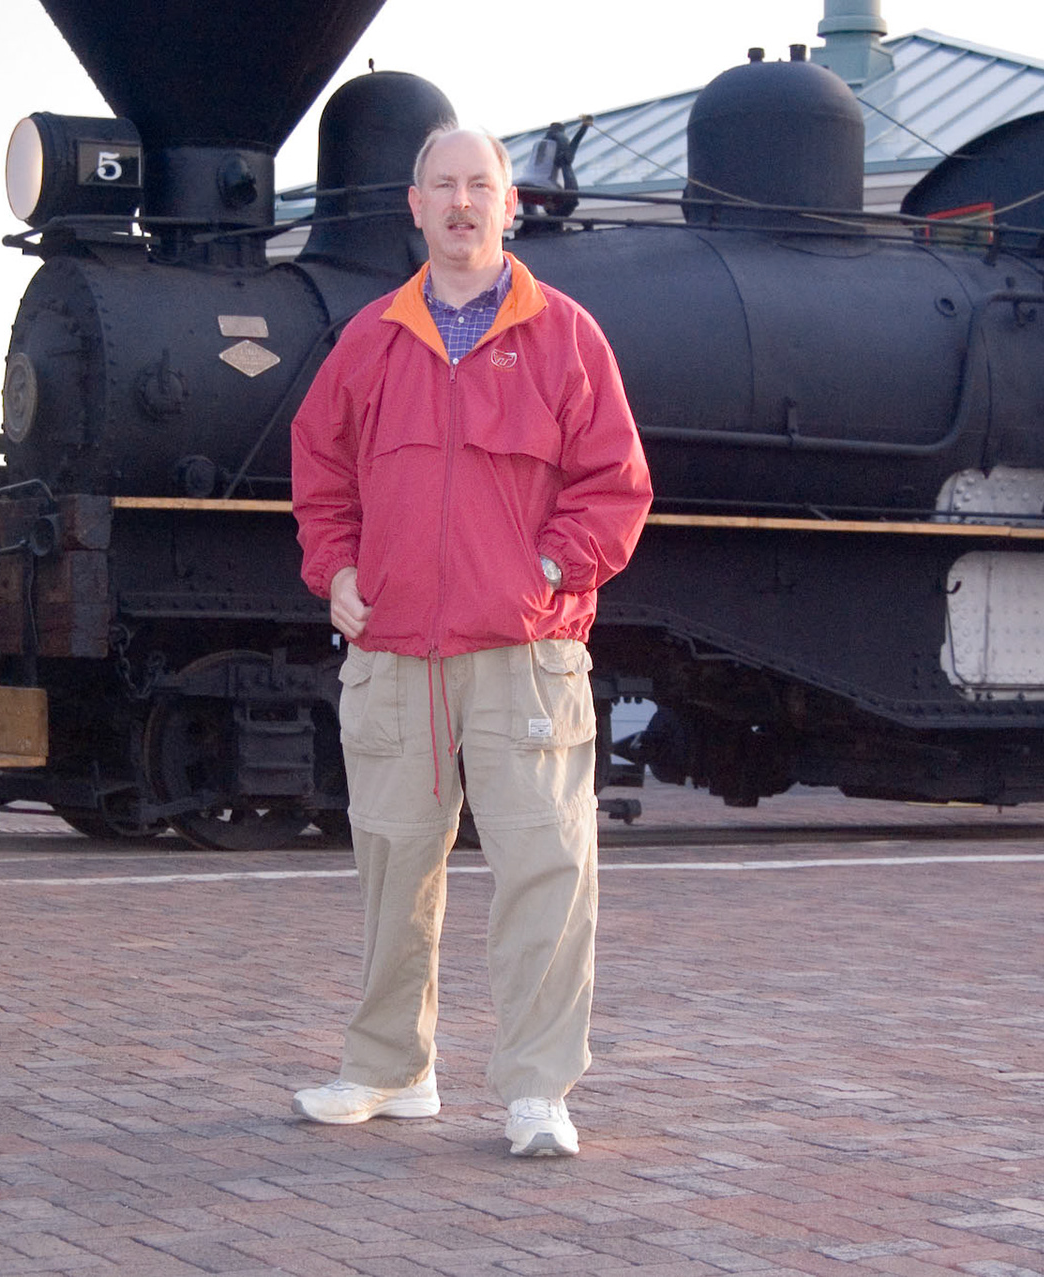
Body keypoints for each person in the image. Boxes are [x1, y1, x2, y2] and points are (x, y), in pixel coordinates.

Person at [288, 124, 653, 1157]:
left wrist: (546, 570)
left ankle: (538, 1089)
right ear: (415, 205)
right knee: (394, 859)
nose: (461, 202)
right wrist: (340, 571)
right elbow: (319, 471)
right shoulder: (370, 340)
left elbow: (616, 486)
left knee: (544, 864)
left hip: (523, 649)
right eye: (442, 185)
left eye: (478, 185)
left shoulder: (567, 336)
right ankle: (390, 1067)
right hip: (396, 648)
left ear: (509, 204)